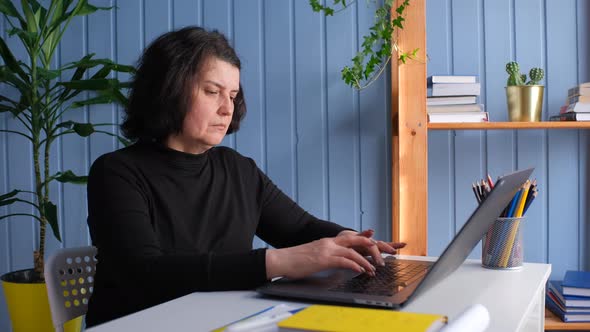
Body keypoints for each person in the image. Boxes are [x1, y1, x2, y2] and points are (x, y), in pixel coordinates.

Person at [85, 26, 405, 327]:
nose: (227, 108)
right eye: (212, 92)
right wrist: (275, 262)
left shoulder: (238, 168)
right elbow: (144, 274)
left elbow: (299, 229)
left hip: (223, 321)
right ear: (168, 89)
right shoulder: (116, 173)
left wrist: (352, 241)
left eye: (233, 95)